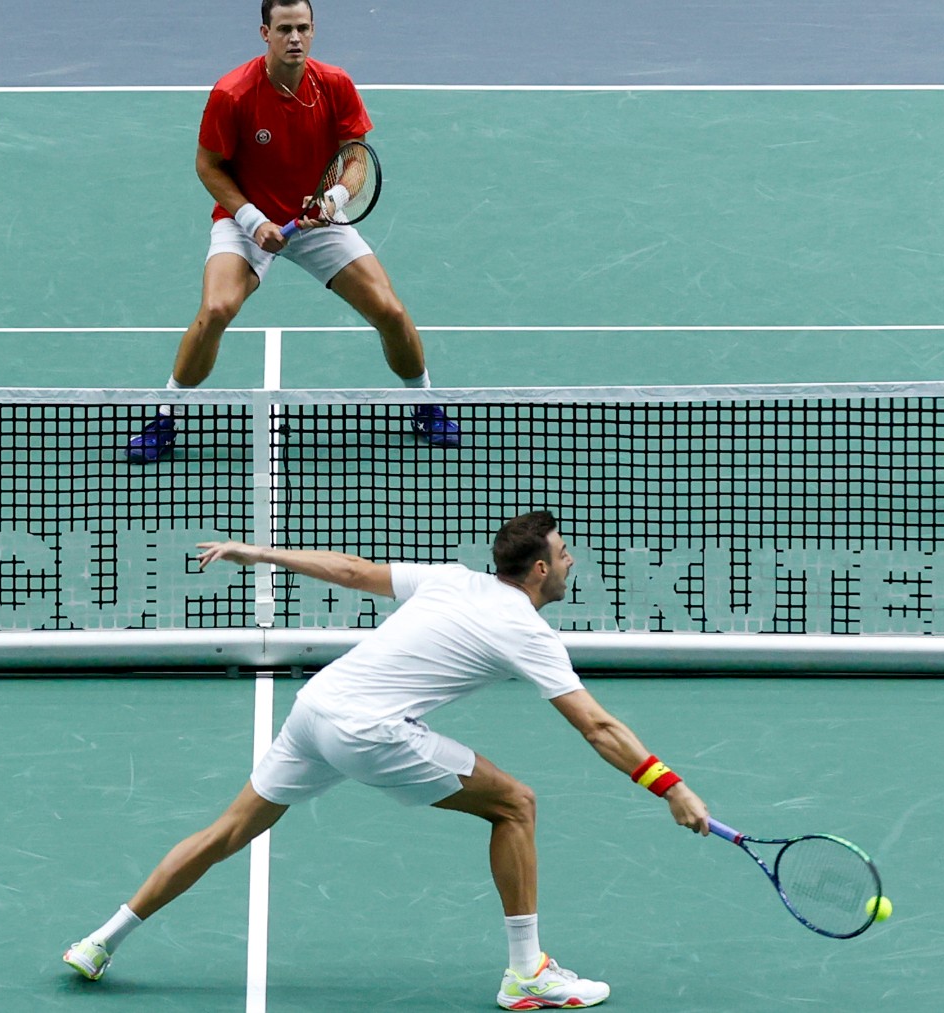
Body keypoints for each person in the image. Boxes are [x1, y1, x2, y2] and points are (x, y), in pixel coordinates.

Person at [61, 511, 710, 1010]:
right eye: (564, 553)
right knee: (515, 803)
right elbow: (595, 724)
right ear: (539, 569)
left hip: (316, 707)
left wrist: (256, 551)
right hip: (369, 730)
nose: (571, 561)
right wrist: (670, 786)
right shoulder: (526, 630)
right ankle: (526, 975)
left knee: (225, 830)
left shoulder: (454, 578)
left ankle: (100, 941)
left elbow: (351, 571)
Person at [127, 0, 459, 462]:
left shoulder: (335, 84)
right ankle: (164, 414)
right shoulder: (233, 93)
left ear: (313, 29)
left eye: (302, 28)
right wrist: (251, 220)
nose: (295, 38)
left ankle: (424, 405)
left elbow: (356, 158)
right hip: (249, 219)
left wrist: (335, 199)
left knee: (390, 311)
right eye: (284, 29)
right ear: (265, 34)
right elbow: (208, 166)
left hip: (315, 218)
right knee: (217, 308)